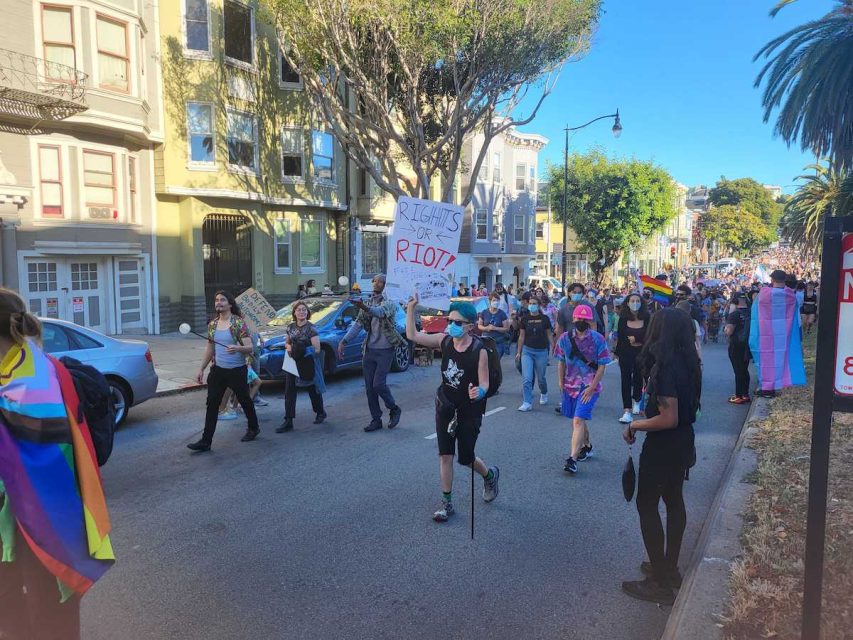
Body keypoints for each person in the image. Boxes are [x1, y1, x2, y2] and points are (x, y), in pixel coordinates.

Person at [0, 288, 114, 639]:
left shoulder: (36, 380)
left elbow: (46, 459)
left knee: (50, 618)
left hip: (44, 522)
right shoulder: (30, 369)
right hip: (17, 521)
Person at [621, 308, 702, 605]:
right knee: (674, 501)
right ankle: (669, 568)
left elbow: (668, 417)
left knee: (647, 505)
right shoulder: (690, 361)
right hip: (682, 442)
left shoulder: (666, 368)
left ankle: (658, 580)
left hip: (664, 444)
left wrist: (636, 424)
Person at [405, 295, 500, 522]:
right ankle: (446, 503)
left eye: (458, 323)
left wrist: (481, 392)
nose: (452, 326)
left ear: (469, 325)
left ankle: (489, 475)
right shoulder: (444, 341)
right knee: (445, 456)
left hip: (469, 410)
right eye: (450, 321)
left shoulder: (480, 351)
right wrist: (411, 309)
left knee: (466, 458)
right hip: (446, 406)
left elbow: (485, 382)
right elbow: (413, 335)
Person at [188, 292, 260, 451]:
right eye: (216, 300)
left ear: (230, 304)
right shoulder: (212, 324)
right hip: (218, 371)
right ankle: (206, 441)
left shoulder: (238, 323)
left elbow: (250, 347)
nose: (218, 302)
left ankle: (254, 428)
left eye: (222, 300)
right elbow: (210, 348)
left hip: (236, 371)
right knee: (212, 403)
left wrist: (238, 348)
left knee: (245, 400)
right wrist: (201, 368)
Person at [337, 274, 405, 431]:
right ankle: (376, 419)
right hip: (370, 349)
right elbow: (358, 324)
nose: (377, 283)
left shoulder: (390, 301)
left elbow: (380, 312)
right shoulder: (367, 301)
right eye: (375, 280)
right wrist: (344, 341)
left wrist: (364, 307)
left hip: (386, 349)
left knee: (378, 384)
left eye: (381, 281)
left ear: (386, 285)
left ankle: (394, 408)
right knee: (369, 388)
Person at [554, 304, 612, 473]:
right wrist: (560, 382)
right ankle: (587, 445)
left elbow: (602, 366)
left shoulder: (597, 339)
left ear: (590, 321)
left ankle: (572, 458)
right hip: (570, 385)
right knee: (577, 418)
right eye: (579, 318)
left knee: (577, 420)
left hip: (589, 386)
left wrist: (592, 387)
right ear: (573, 319)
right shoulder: (564, 339)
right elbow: (561, 362)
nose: (581, 321)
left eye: (585, 319)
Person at [277, 300, 327, 432]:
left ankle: (320, 412)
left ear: (307, 312)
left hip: (306, 362)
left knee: (311, 388)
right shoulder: (291, 327)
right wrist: (290, 348)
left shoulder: (312, 328)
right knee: (289, 391)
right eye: (299, 310)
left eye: (304, 310)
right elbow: (287, 343)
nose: (301, 312)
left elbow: (317, 349)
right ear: (294, 313)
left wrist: (302, 351)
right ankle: (288, 420)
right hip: (292, 362)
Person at [516, 294, 555, 411]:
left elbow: (549, 334)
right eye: (530, 303)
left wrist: (554, 346)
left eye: (534, 304)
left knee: (541, 378)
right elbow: (521, 336)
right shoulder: (524, 319)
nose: (532, 306)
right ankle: (527, 402)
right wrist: (519, 351)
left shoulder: (545, 319)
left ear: (539, 306)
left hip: (541, 352)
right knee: (527, 378)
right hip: (527, 351)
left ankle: (544, 392)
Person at [615, 293, 649, 424]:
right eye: (632, 301)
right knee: (625, 380)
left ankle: (637, 399)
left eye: (637, 301)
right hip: (625, 354)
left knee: (638, 377)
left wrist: (638, 341)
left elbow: (651, 335)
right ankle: (627, 411)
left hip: (642, 353)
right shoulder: (623, 318)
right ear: (627, 303)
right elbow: (621, 338)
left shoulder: (647, 318)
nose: (635, 303)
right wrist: (616, 354)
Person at [725, 292, 752, 404]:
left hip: (736, 344)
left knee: (738, 370)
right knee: (745, 369)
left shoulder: (734, 314)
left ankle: (738, 395)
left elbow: (729, 331)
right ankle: (745, 394)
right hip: (748, 343)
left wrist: (726, 328)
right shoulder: (751, 312)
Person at [477, 292, 511, 357]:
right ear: (490, 301)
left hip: (498, 342)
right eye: (494, 300)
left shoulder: (502, 313)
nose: (496, 302)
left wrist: (495, 328)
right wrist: (486, 328)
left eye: (498, 301)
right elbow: (479, 325)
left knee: (495, 362)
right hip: (486, 341)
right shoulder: (484, 312)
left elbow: (506, 328)